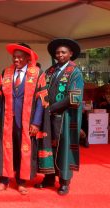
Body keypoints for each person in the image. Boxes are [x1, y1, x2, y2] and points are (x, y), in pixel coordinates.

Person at [0, 43, 54, 195]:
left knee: (24, 150)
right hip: (7, 120)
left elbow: (41, 101)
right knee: (6, 150)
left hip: (27, 121)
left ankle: (21, 182)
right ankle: (3, 180)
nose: (16, 60)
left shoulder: (37, 73)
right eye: (14, 57)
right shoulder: (6, 72)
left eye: (19, 57)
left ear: (28, 58)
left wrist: (36, 122)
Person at [35, 38, 84, 195]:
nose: (60, 55)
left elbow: (74, 97)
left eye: (63, 52)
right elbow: (41, 91)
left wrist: (51, 108)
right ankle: (49, 177)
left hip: (65, 117)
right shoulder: (50, 71)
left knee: (63, 149)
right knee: (48, 147)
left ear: (70, 54)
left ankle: (64, 182)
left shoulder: (75, 72)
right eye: (57, 52)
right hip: (49, 117)